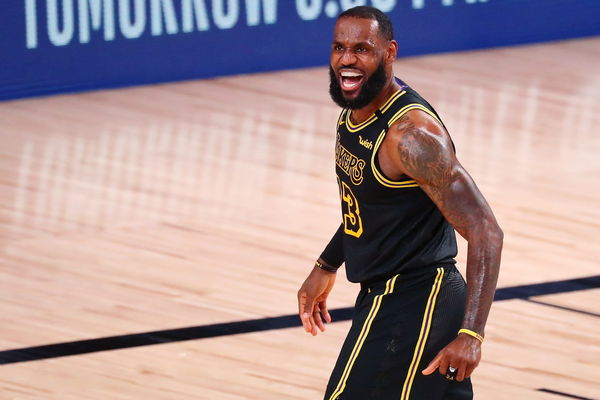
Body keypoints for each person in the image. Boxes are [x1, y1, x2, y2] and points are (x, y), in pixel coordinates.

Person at [297, 6, 503, 400]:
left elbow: (485, 231)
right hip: (388, 293)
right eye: (339, 47)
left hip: (415, 299)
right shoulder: (356, 109)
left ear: (389, 53)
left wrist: (472, 333)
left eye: (362, 49)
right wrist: (326, 264)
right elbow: (371, 206)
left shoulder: (410, 137)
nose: (346, 59)